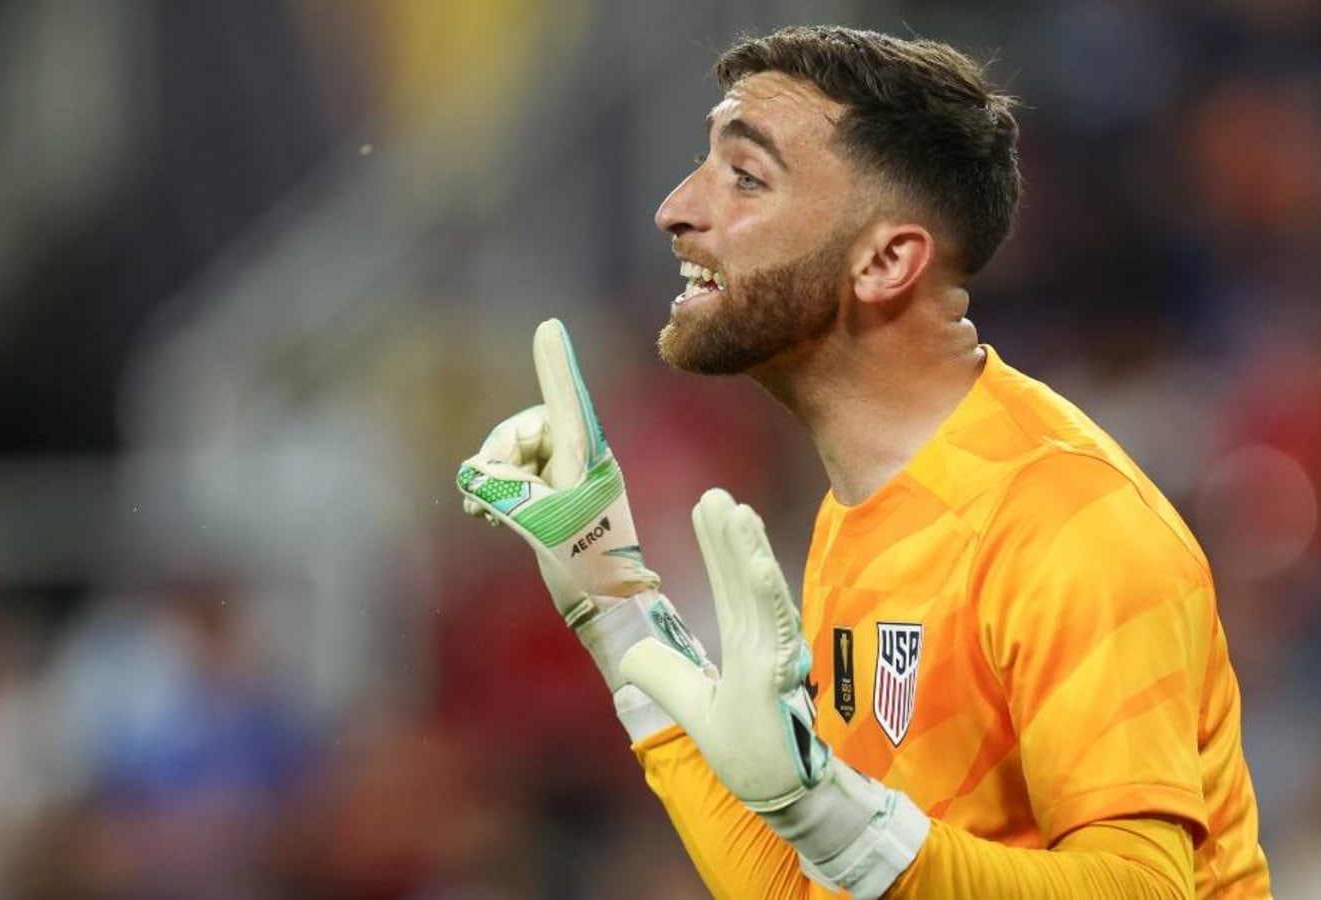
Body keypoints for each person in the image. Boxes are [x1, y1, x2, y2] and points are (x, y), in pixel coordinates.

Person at [457, 25, 1271, 899]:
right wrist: (613, 601)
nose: (676, 208)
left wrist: (838, 820)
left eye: (745, 177)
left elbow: (1141, 890)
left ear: (886, 261)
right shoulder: (864, 514)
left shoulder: (1067, 521)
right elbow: (823, 885)